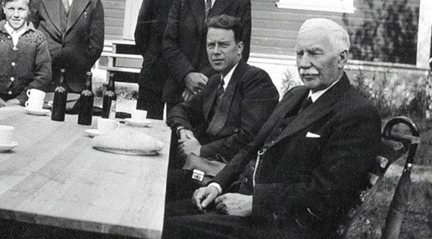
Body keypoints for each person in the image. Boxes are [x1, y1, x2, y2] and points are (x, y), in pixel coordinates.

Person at [163, 18, 382, 239]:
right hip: (245, 202)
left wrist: (254, 204)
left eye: (315, 53)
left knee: (165, 229)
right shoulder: (296, 95)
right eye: (299, 54)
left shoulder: (357, 113)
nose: (304, 63)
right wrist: (217, 186)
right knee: (159, 212)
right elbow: (252, 147)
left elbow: (328, 192)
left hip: (282, 227)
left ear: (341, 58)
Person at [165, 15, 278, 199]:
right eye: (211, 45)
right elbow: (179, 109)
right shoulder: (215, 81)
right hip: (203, 167)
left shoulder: (256, 81)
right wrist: (183, 130)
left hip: (231, 179)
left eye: (223, 45)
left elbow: (249, 138)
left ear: (240, 47)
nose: (215, 52)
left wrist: (200, 150)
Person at [162, 0, 252, 109]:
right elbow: (169, 43)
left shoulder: (239, 4)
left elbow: (241, 51)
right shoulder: (182, 0)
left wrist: (202, 84)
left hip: (217, 94)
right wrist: (187, 75)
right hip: (180, 90)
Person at [134, 0, 197, 120]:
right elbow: (140, 35)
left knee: (178, 127)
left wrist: (185, 71)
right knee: (146, 127)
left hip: (181, 79)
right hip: (153, 75)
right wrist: (152, 58)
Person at [33, 0, 104, 97]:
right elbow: (30, 38)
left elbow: (96, 45)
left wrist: (79, 66)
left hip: (76, 81)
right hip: (44, 80)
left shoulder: (92, 1)